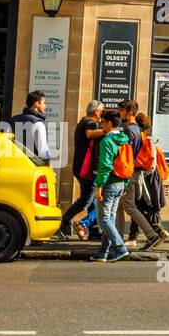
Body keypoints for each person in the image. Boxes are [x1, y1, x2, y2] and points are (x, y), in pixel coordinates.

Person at [54, 101, 104, 240]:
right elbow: (89, 134)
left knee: (93, 200)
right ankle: (63, 223)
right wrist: (108, 130)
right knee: (86, 201)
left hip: (80, 167)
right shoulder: (90, 123)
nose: (102, 115)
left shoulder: (82, 121)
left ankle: (94, 231)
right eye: (102, 111)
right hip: (86, 169)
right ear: (96, 112)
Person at [116, 101, 163, 250]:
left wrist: (123, 178)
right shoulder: (136, 129)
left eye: (122, 110)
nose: (120, 113)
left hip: (129, 174)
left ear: (129, 112)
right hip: (133, 173)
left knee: (130, 207)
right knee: (121, 206)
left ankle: (152, 235)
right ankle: (117, 239)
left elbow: (126, 156)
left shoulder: (129, 131)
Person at [90, 109, 131, 263]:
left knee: (102, 219)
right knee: (110, 218)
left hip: (109, 184)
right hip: (121, 183)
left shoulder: (106, 141)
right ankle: (103, 253)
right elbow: (128, 163)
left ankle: (120, 248)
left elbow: (105, 166)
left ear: (108, 123)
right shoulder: (124, 140)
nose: (101, 126)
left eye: (102, 123)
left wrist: (99, 186)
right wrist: (125, 184)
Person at [133, 112, 168, 241]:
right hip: (150, 177)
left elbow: (150, 165)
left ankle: (159, 231)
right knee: (139, 206)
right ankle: (134, 237)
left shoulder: (143, 140)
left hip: (147, 178)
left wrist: (141, 174)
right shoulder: (147, 139)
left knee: (140, 206)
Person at [11, 90, 51, 168]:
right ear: (36, 104)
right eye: (43, 103)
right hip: (31, 167)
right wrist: (49, 167)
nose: (45, 106)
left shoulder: (12, 120)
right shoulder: (38, 124)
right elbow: (43, 151)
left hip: (12, 166)